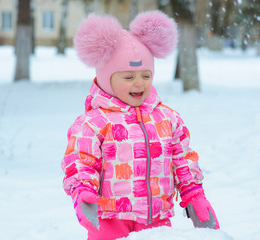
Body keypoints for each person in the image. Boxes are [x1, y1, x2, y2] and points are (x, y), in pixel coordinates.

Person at [61, 10, 219, 240]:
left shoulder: (168, 119)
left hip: (157, 220)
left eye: (146, 75)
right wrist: (83, 191)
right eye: (128, 77)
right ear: (107, 78)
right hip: (110, 219)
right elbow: (80, 162)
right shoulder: (93, 123)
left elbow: (183, 161)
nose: (139, 83)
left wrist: (194, 195)